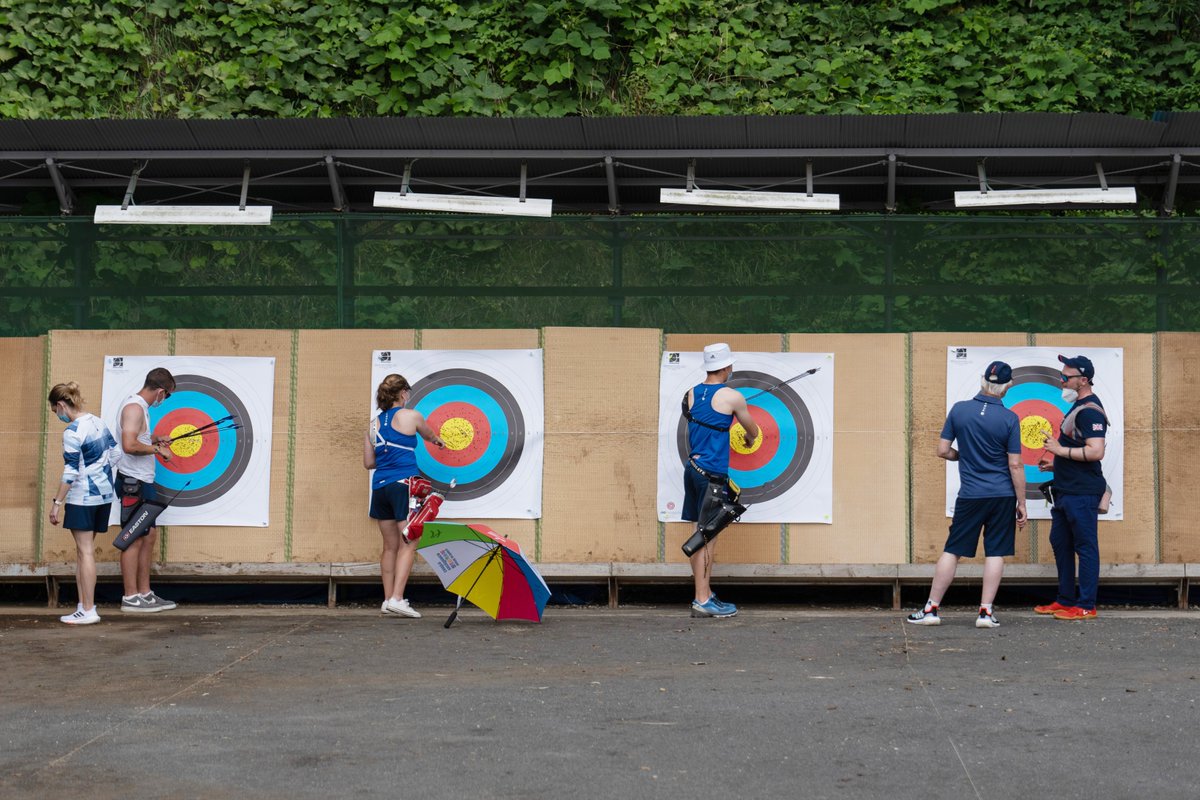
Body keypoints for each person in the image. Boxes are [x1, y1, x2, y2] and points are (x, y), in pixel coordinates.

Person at [907, 360, 1026, 628]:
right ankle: (985, 613)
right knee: (995, 552)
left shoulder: (959, 410)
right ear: (1007, 388)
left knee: (953, 550)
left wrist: (964, 457)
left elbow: (942, 450)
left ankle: (931, 609)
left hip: (971, 494)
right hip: (1001, 494)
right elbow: (1015, 465)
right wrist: (1021, 502)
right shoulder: (1009, 418)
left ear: (983, 380)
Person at [681, 343, 760, 619]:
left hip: (692, 471)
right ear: (726, 367)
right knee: (706, 538)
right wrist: (747, 438)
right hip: (712, 477)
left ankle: (703, 593)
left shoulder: (691, 393)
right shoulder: (733, 397)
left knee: (698, 535)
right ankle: (702, 600)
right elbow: (752, 431)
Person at [364, 374, 445, 619]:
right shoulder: (411, 416)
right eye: (407, 392)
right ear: (403, 394)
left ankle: (388, 600)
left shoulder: (371, 425)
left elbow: (369, 463)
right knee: (409, 542)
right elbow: (431, 436)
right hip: (404, 486)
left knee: (389, 546)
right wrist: (439, 442)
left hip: (380, 488)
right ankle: (398, 599)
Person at [1035, 355, 1109, 621]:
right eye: (1062, 376)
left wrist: (1058, 449)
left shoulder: (1089, 410)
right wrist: (1056, 465)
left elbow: (1096, 451)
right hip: (1067, 490)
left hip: (1081, 493)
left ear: (1084, 380)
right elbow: (1079, 450)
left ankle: (1086, 605)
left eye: (1067, 377)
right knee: (1061, 543)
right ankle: (1066, 600)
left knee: (1085, 547)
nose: (1062, 380)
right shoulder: (1078, 406)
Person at [47, 382, 121, 625]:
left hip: (82, 497)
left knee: (85, 551)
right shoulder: (98, 421)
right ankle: (83, 607)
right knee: (84, 552)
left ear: (60, 405)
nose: (56, 414)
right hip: (103, 495)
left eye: (54, 409)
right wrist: (99, 474)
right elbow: (115, 453)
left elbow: (70, 472)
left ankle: (88, 609)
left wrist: (57, 502)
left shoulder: (72, 431)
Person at [114, 367, 178, 613]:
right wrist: (158, 450)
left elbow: (137, 438)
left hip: (143, 480)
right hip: (134, 482)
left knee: (148, 536)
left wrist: (154, 438)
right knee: (133, 538)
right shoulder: (134, 408)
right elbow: (129, 445)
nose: (165, 399)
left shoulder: (141, 408)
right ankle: (130, 597)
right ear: (161, 392)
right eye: (168, 396)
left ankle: (145, 593)